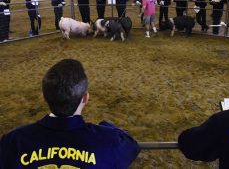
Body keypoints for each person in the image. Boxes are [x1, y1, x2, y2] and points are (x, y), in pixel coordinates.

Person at [0, 59, 140, 168]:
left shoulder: (13, 141)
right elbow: (131, 145)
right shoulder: (110, 140)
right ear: (85, 98)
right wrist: (105, 125)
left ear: (43, 97)